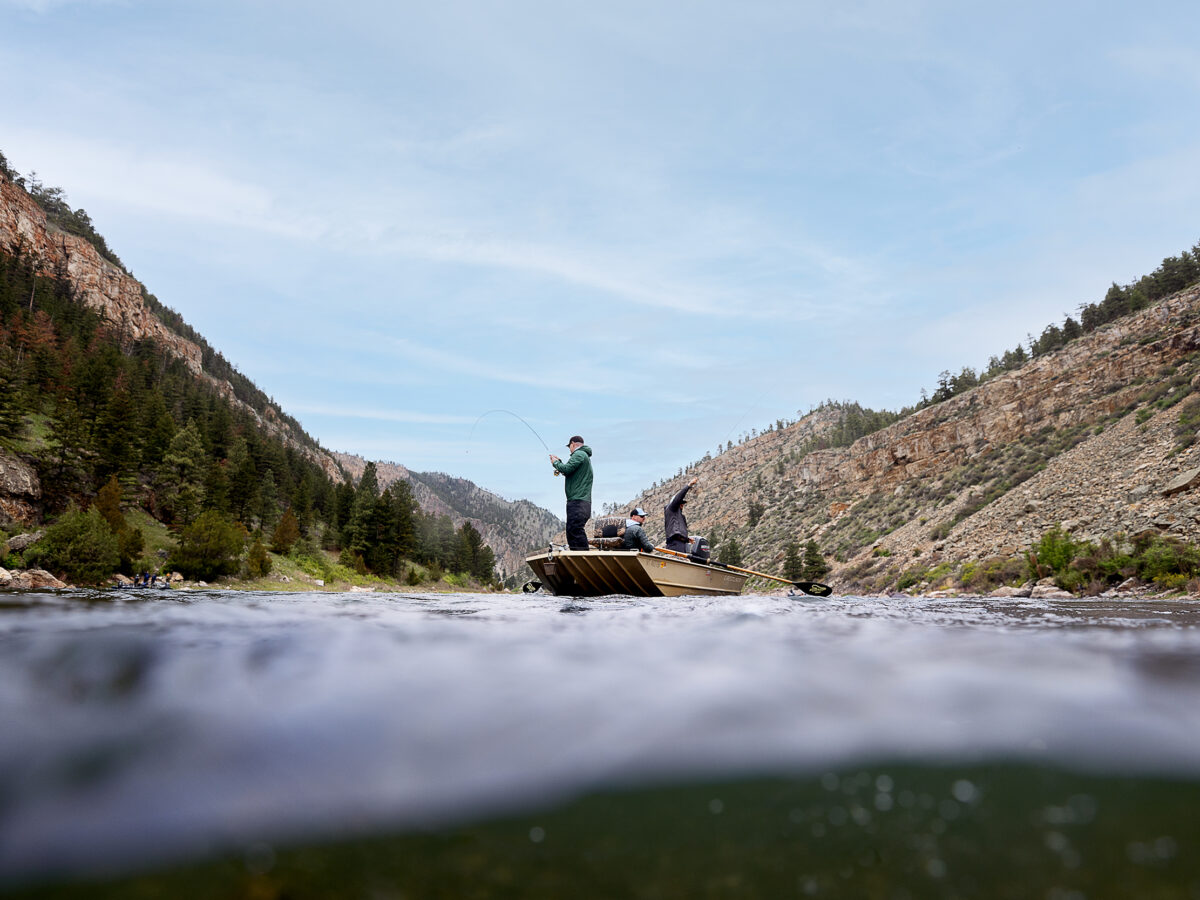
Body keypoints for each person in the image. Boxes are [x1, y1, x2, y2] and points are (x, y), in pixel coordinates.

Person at [549, 435, 593, 550]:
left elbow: (566, 469)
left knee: (574, 530)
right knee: (573, 530)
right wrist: (560, 463)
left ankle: (582, 558)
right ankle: (580, 557)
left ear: (573, 444)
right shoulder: (584, 457)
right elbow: (569, 470)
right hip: (582, 502)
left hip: (578, 501)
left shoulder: (579, 454)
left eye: (570, 447)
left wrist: (555, 463)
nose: (570, 450)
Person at [664, 476, 698, 554]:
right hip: (675, 544)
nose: (682, 505)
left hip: (680, 544)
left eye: (683, 504)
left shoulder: (678, 515)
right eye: (680, 503)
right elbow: (678, 498)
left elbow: (677, 531)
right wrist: (689, 485)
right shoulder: (671, 508)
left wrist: (687, 539)